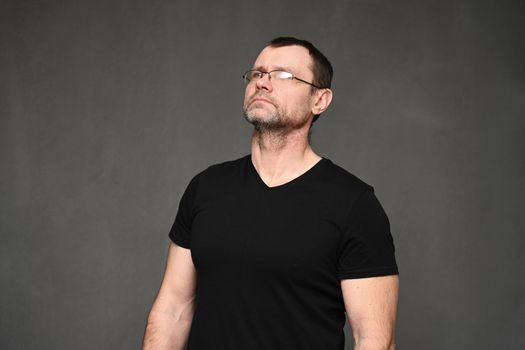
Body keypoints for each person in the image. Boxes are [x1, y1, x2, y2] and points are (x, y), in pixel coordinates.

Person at [143, 37, 399, 350]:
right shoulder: (206, 188)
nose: (264, 83)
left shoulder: (354, 204)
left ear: (320, 100)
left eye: (283, 75)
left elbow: (374, 340)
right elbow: (172, 310)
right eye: (258, 73)